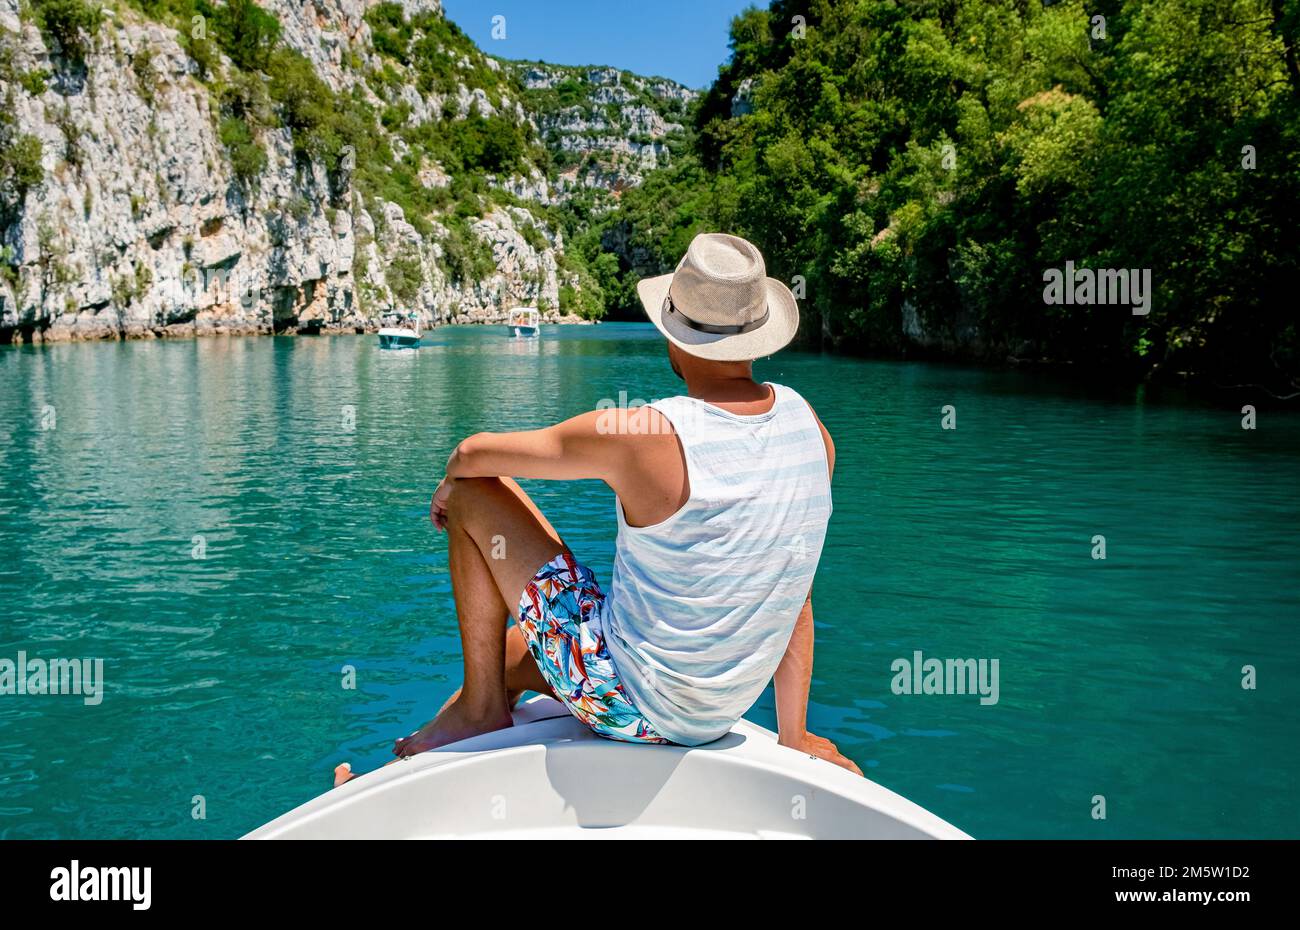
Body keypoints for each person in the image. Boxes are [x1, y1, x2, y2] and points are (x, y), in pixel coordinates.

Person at [335, 232, 859, 787]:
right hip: (718, 709)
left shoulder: (646, 432)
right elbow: (793, 585)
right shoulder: (813, 431)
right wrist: (794, 735)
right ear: (758, 338)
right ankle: (441, 735)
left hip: (630, 704)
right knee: (508, 654)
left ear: (673, 337)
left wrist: (450, 484)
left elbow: (472, 453)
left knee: (475, 492)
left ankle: (471, 720)